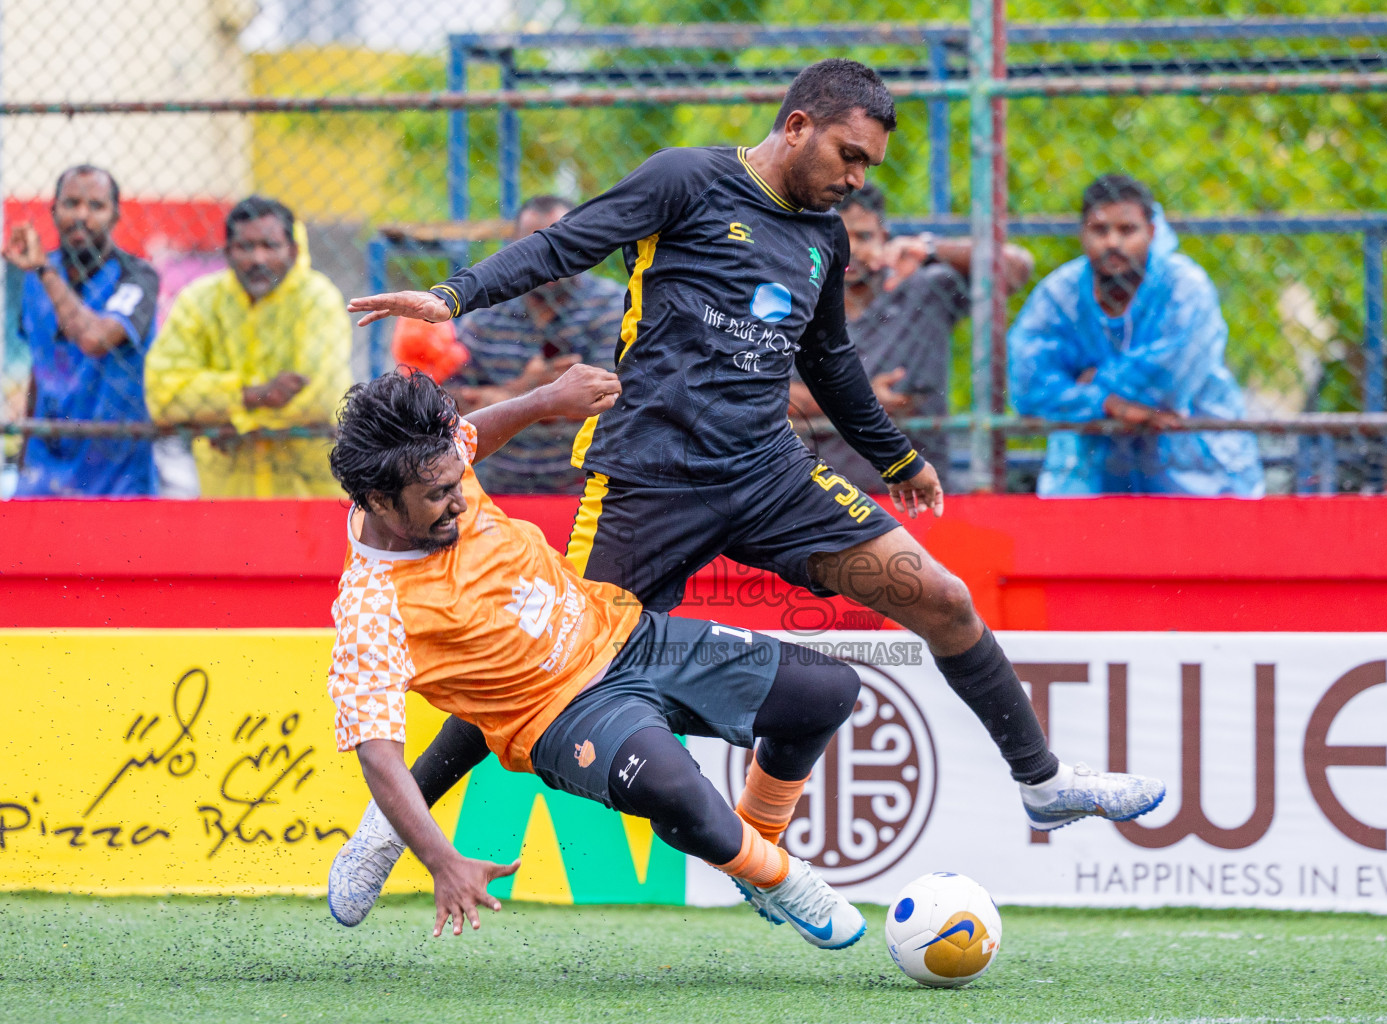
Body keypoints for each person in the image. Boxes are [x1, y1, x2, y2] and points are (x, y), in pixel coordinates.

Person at [339, 59, 1164, 918]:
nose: (855, 178)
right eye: (848, 155)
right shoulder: (687, 179)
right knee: (552, 658)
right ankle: (385, 831)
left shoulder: (824, 237)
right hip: (648, 478)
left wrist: (894, 459)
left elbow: (829, 361)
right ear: (798, 125)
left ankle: (1039, 780)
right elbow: (563, 244)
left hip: (768, 472)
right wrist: (453, 294)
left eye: (868, 168)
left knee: (941, 596)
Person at [325, 368, 867, 950]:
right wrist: (441, 859)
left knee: (829, 690)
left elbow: (469, 436)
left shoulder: (429, 462)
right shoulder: (372, 612)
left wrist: (545, 400)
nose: (459, 502)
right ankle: (784, 881)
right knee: (679, 791)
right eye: (437, 496)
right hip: (559, 715)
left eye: (458, 482)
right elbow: (380, 760)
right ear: (380, 502)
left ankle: (755, 850)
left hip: (624, 632)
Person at [1007, 174, 1263, 497]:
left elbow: (1167, 385)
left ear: (1151, 232)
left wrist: (1087, 383)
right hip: (1092, 479)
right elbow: (1027, 387)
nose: (1113, 242)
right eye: (1100, 230)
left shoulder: (1185, 288)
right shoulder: (1060, 294)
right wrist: (1108, 403)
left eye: (1127, 230)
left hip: (1199, 475)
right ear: (1082, 234)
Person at [787, 183, 1033, 491]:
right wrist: (862, 401)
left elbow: (1015, 266)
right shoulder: (795, 298)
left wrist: (929, 248)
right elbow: (766, 396)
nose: (851, 249)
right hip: (824, 491)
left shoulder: (923, 290)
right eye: (838, 236)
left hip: (917, 488)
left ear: (885, 239)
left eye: (864, 237)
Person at [145, 195, 352, 497]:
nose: (258, 259)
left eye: (270, 246)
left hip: (309, 494)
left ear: (293, 251)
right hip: (227, 496)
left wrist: (233, 419)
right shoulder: (199, 302)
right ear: (227, 252)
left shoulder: (317, 299)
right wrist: (252, 395)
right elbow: (162, 394)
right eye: (246, 247)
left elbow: (322, 397)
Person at [443, 194, 622, 495]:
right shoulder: (486, 317)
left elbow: (610, 401)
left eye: (560, 245)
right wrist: (534, 389)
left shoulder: (612, 308)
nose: (547, 260)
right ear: (513, 251)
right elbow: (450, 409)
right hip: (500, 489)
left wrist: (500, 398)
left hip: (590, 489)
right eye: (534, 249)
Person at [3, 165, 159, 496]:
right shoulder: (33, 277)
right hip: (46, 468)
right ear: (53, 210)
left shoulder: (137, 277)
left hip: (116, 470)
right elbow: (38, 367)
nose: (81, 215)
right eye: (71, 203)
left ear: (115, 215)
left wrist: (43, 270)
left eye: (96, 206)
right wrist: (23, 456)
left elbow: (95, 338)